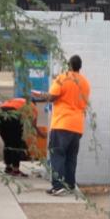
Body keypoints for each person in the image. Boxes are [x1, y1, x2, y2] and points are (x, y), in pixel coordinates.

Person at [32, 55, 90, 195]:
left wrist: (39, 95)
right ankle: (70, 185)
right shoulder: (85, 82)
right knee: (71, 157)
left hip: (62, 124)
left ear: (69, 65)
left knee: (57, 154)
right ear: (79, 67)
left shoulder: (63, 77)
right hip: (77, 126)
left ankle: (58, 186)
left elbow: (52, 97)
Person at [0, 97, 38, 177]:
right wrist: (42, 134)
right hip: (13, 116)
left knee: (7, 142)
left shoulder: (13, 101)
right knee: (16, 144)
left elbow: (0, 109)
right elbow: (33, 126)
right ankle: (16, 170)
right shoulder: (33, 106)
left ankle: (8, 167)